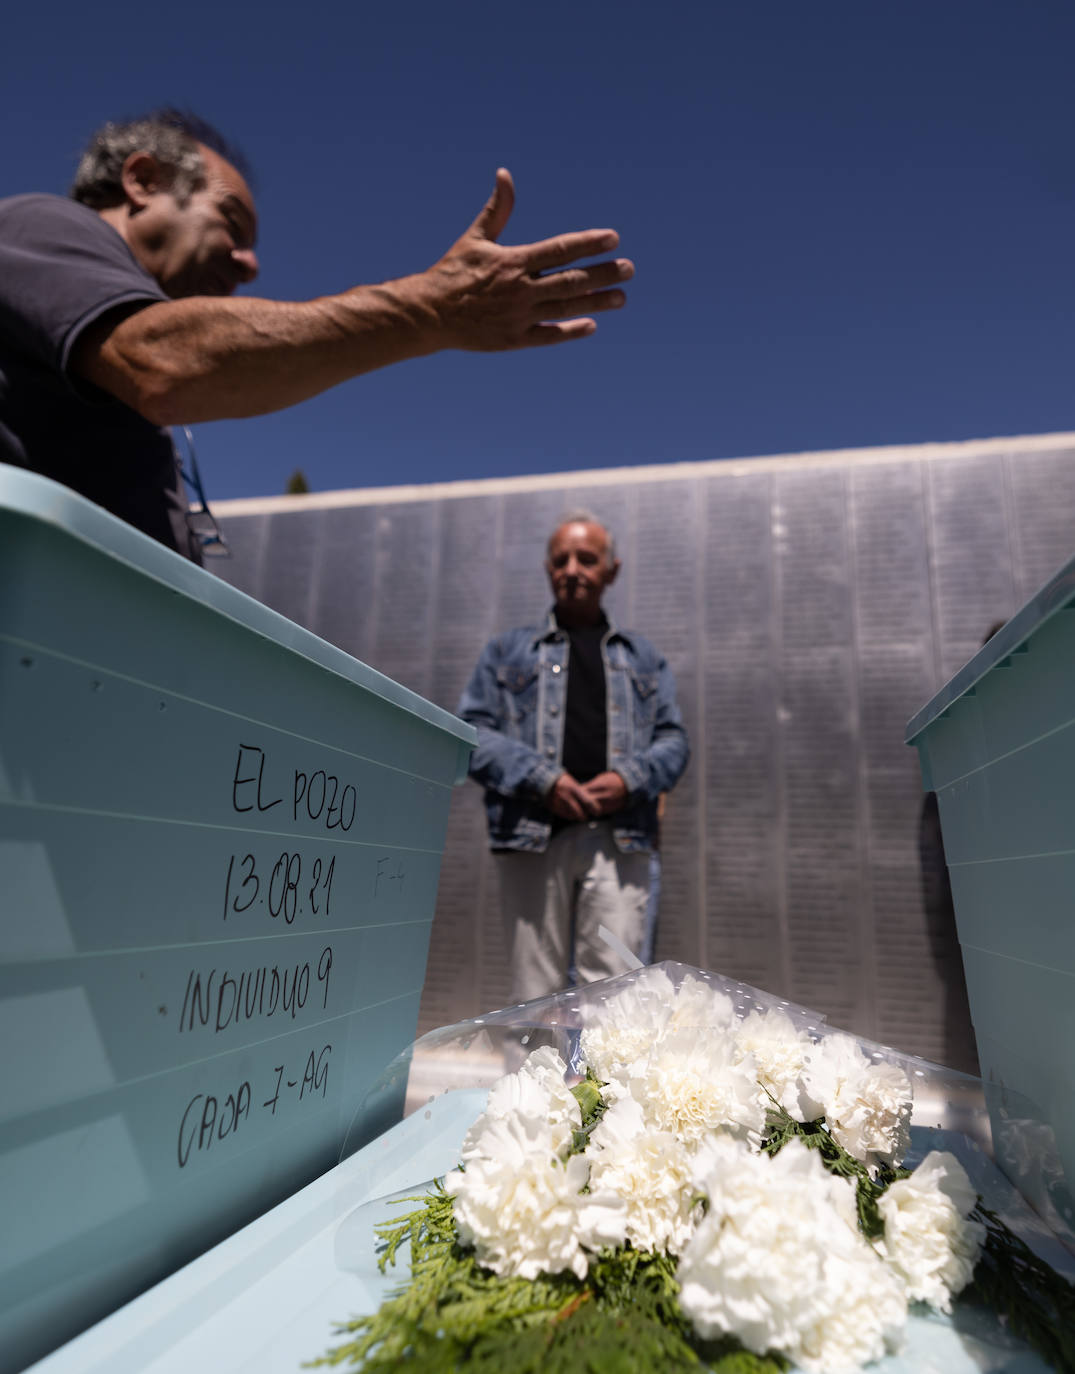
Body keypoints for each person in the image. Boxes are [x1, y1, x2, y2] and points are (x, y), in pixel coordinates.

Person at [0, 110, 634, 562]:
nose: (249, 264)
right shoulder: (44, 226)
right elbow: (165, 364)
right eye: (231, 223)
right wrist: (430, 309)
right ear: (142, 182)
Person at [458, 511, 689, 1003]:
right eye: (561, 559)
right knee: (533, 1000)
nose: (573, 569)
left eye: (587, 559)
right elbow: (472, 732)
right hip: (532, 839)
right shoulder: (506, 652)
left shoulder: (644, 658)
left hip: (619, 838)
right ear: (547, 569)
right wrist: (543, 779)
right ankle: (529, 1084)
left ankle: (601, 1084)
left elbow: (674, 740)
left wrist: (630, 779)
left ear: (612, 569)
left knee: (613, 998)